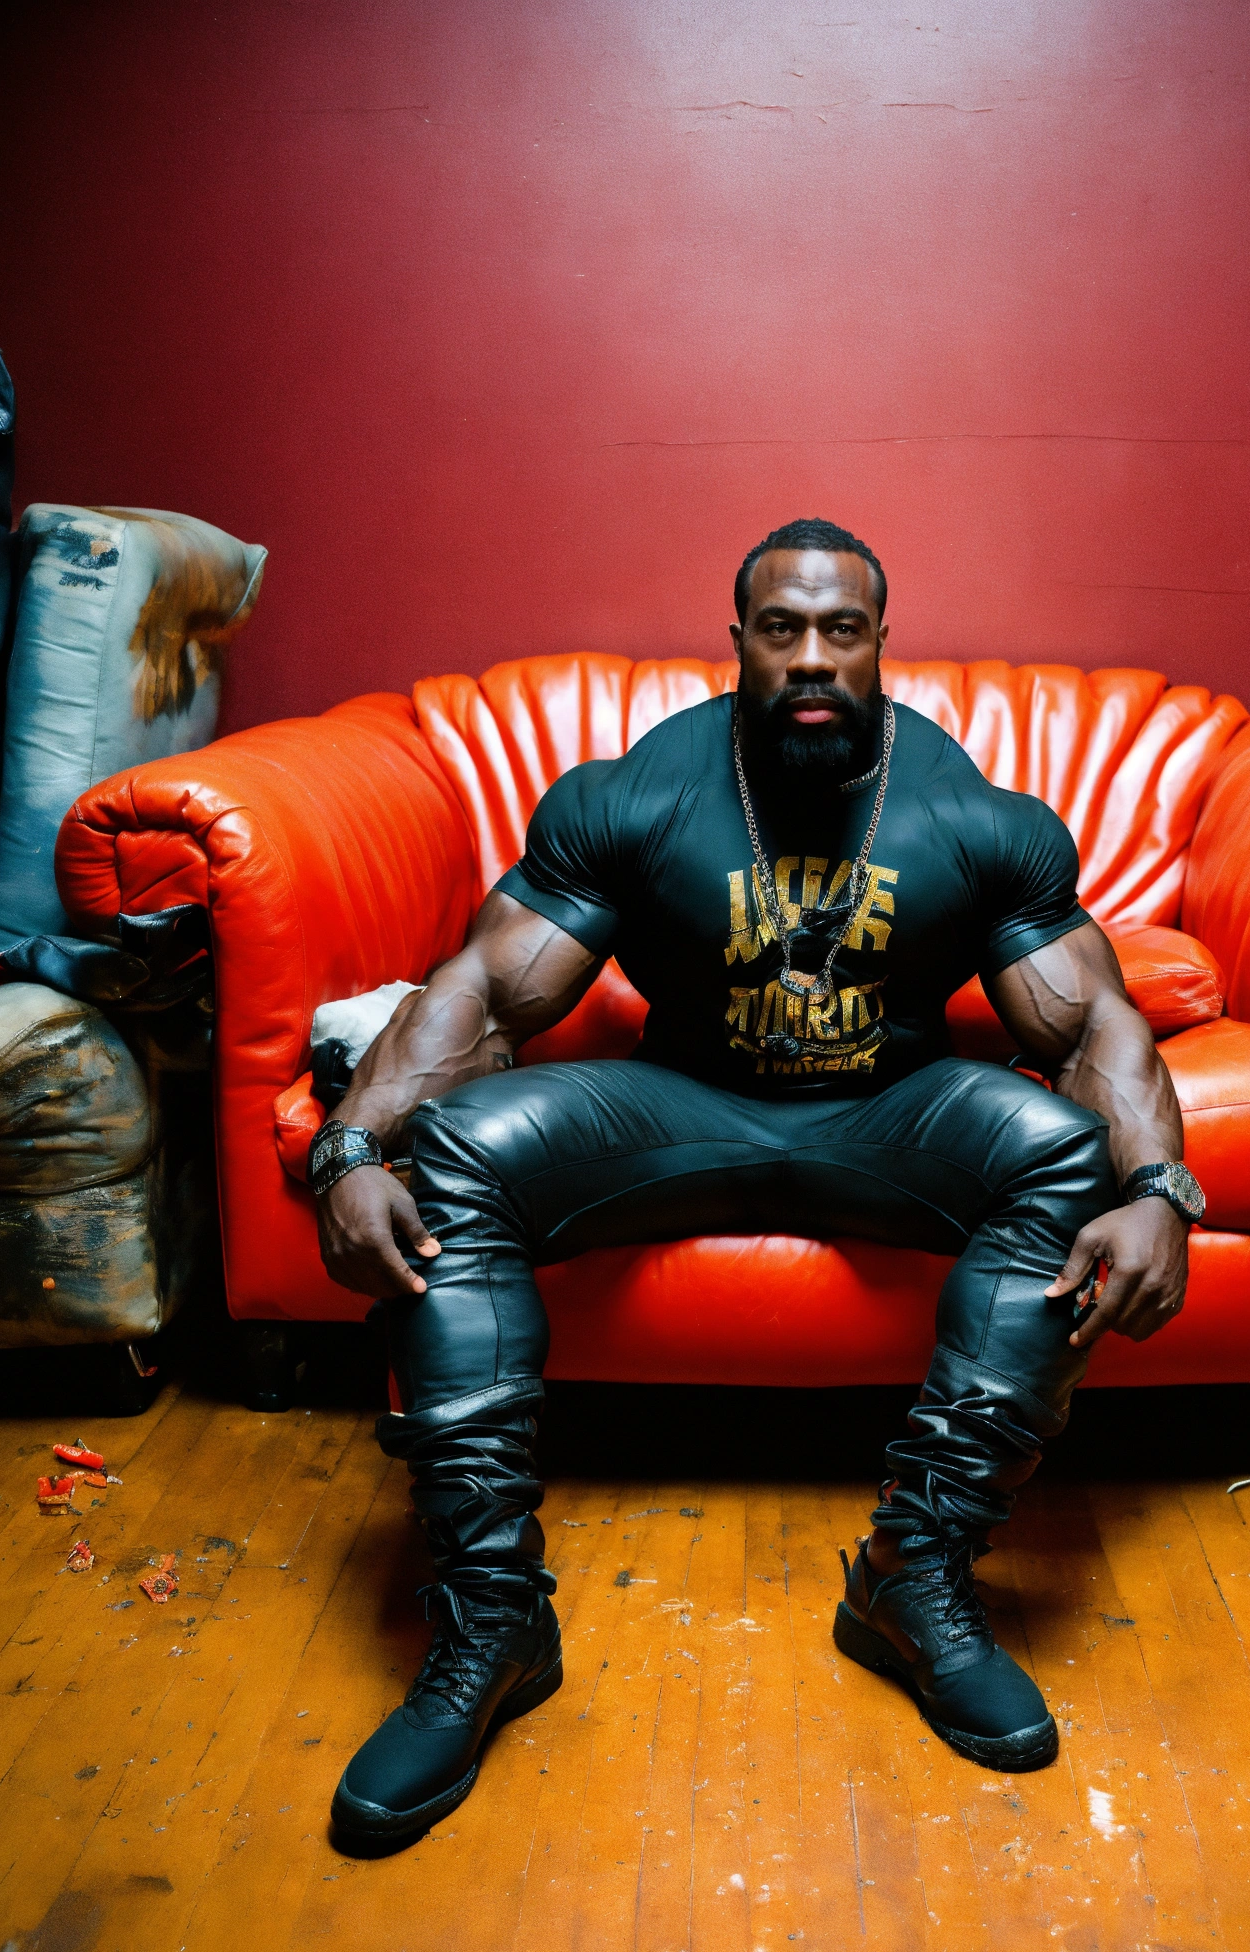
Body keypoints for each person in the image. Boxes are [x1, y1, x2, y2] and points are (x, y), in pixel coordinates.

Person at [310, 519, 1204, 1849]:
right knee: (458, 1150)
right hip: (681, 1109)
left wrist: (1161, 1189)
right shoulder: (637, 794)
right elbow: (487, 989)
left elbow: (1092, 1029)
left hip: (889, 1117)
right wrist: (348, 1150)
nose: (812, 659)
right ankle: (491, 1624)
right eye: (782, 629)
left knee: (1062, 1151)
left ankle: (913, 1577)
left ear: (883, 643)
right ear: (738, 642)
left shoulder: (970, 813)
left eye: (842, 630)